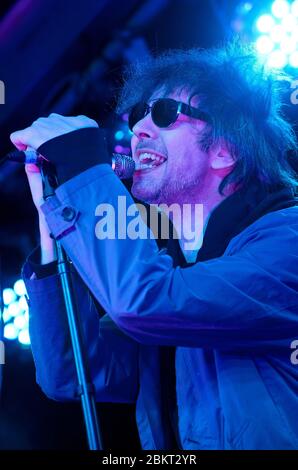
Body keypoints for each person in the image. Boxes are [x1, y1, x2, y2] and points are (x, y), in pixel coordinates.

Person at [12, 42, 298, 450]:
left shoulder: (289, 242)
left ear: (226, 149)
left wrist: (82, 164)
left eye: (163, 113)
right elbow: (73, 373)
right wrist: (52, 214)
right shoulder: (177, 272)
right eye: (136, 116)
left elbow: (146, 301)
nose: (138, 131)